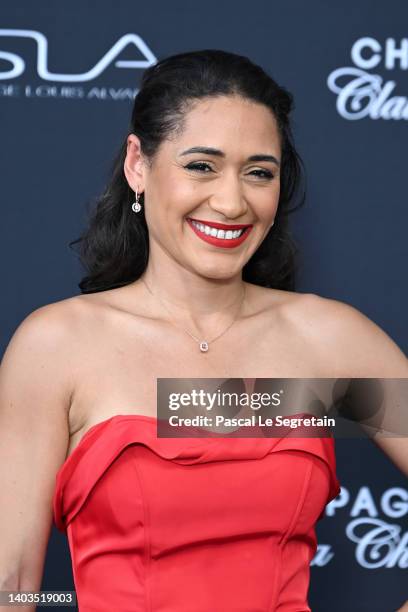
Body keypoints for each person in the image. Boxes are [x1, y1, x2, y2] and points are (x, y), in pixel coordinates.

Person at [0, 49, 407, 612]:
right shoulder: (58, 347)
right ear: (138, 164)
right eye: (201, 166)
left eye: (259, 173)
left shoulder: (326, 340)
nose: (231, 201)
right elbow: (12, 586)